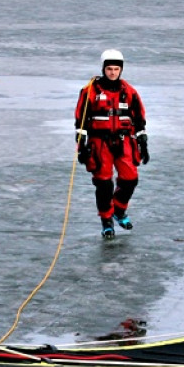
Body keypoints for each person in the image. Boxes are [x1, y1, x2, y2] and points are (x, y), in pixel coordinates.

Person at [74, 49, 149, 239]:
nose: (113, 72)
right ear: (103, 69)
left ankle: (119, 210)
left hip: (125, 142)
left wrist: (143, 142)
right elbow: (80, 121)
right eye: (109, 69)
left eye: (116, 69)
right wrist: (81, 146)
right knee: (103, 184)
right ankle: (106, 220)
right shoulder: (90, 91)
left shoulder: (129, 92)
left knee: (131, 179)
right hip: (100, 144)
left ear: (121, 70)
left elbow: (139, 119)